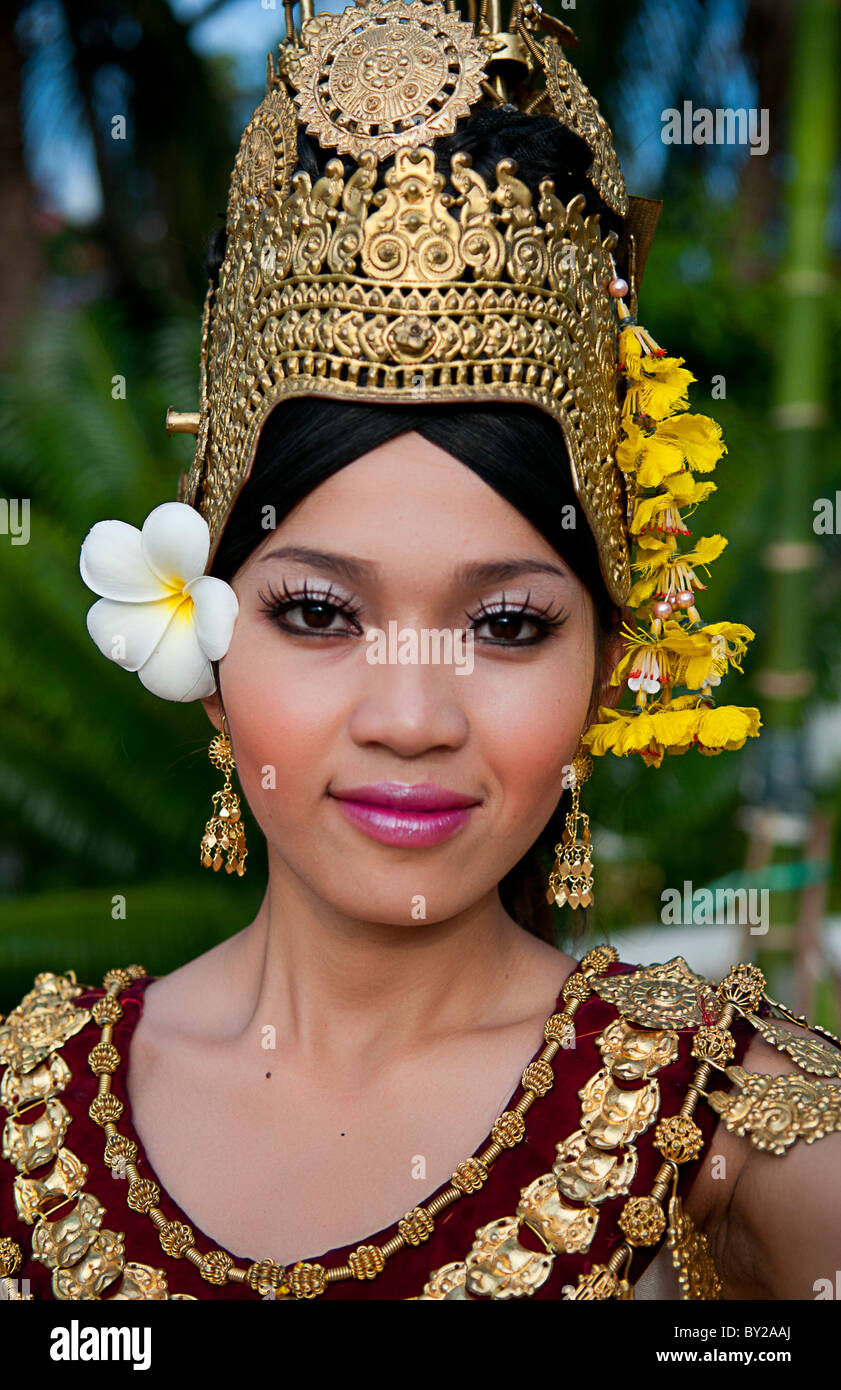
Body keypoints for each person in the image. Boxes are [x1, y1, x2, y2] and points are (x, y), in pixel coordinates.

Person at [1, 0, 839, 1303]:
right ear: (203, 621)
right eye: (318, 614)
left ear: (612, 655)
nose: (408, 714)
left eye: (505, 624)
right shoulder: (24, 1123)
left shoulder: (743, 1129)